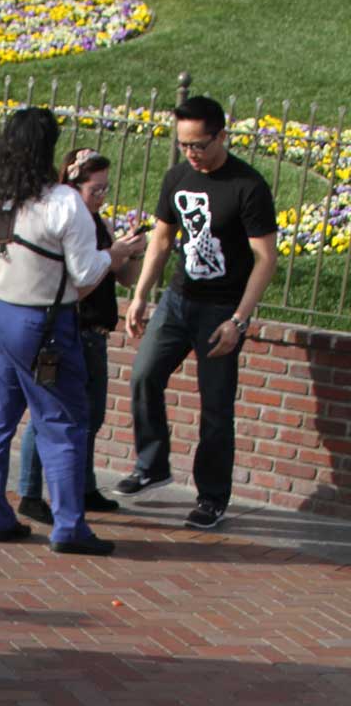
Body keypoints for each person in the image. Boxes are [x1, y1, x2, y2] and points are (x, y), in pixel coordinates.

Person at [0, 108, 141, 556]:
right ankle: (68, 527)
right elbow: (85, 276)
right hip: (44, 324)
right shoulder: (62, 202)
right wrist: (117, 253)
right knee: (63, 422)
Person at [116, 95, 278, 529]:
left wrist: (239, 319)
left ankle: (212, 497)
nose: (192, 153)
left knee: (216, 406)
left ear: (222, 136)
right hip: (177, 300)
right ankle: (152, 464)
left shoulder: (248, 186)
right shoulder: (177, 177)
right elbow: (162, 240)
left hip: (222, 309)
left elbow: (266, 259)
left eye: (200, 144)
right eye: (185, 144)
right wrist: (141, 295)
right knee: (144, 374)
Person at [16, 148, 145, 524]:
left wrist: (130, 251)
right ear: (73, 188)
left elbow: (124, 278)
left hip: (97, 333)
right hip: (70, 330)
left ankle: (84, 486)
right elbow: (78, 281)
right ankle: (29, 491)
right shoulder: (67, 225)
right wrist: (111, 254)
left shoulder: (97, 224)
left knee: (91, 416)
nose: (102, 197)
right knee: (51, 413)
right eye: (95, 189)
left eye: (106, 189)